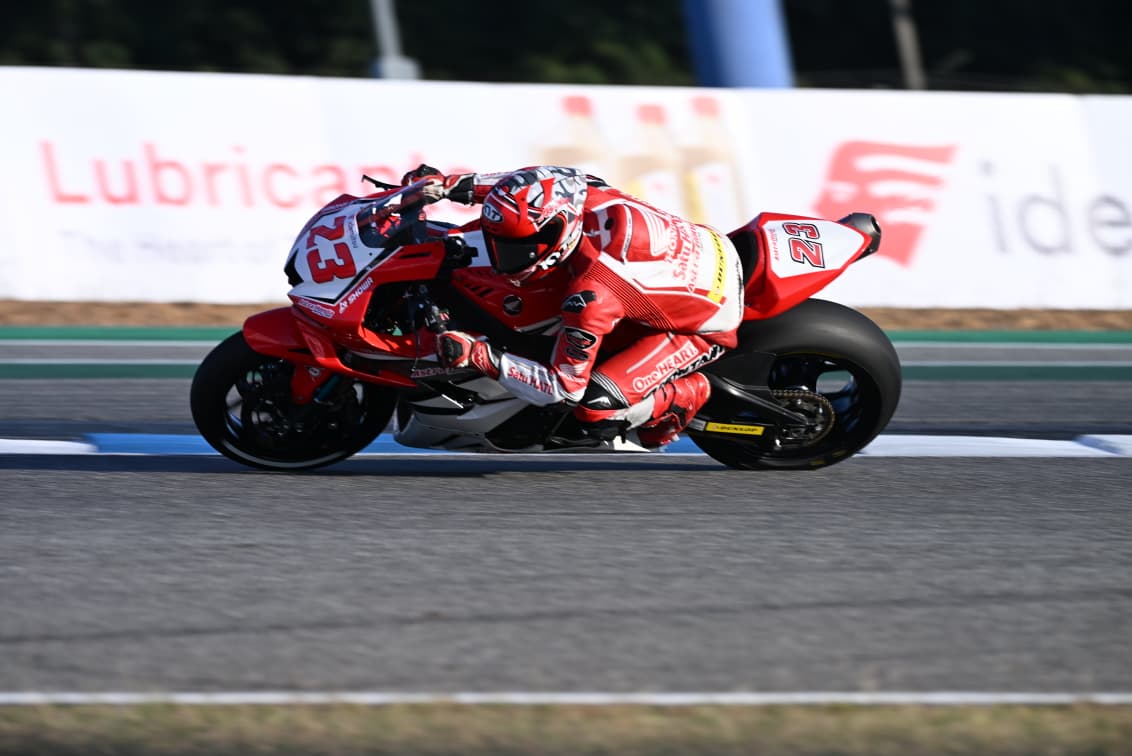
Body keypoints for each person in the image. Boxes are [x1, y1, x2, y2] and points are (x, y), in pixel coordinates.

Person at [402, 163, 745, 449]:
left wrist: (479, 356)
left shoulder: (592, 295)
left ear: (559, 231)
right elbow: (520, 187)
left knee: (594, 408)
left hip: (706, 324)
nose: (500, 258)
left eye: (518, 248)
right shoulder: (578, 192)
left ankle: (686, 396)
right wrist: (446, 186)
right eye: (498, 242)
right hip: (704, 251)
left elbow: (563, 388)